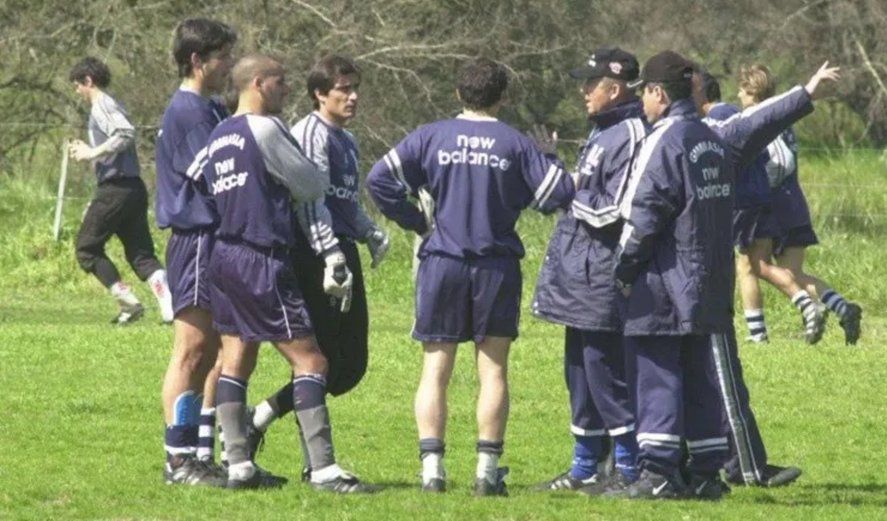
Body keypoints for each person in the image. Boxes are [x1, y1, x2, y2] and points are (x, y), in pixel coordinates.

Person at [367, 58, 574, 496]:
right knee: (493, 370)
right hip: (495, 266)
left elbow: (379, 178)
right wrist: (550, 158)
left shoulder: (432, 135)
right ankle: (486, 471)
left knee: (435, 368)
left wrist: (416, 222)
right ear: (502, 97)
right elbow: (559, 194)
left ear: (459, 94)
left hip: (442, 261)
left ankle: (432, 472)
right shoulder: (515, 143)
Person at [200, 54, 371, 492]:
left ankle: (238, 465)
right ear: (259, 84)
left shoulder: (219, 134)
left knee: (237, 358)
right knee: (311, 360)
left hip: (223, 255)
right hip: (261, 255)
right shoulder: (266, 128)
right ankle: (324, 470)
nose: (287, 90)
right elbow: (311, 186)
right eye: (281, 82)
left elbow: (197, 179)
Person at [689, 62, 840, 489]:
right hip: (772, 207)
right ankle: (822, 303)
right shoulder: (717, 126)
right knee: (768, 270)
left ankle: (789, 314)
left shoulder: (718, 123)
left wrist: (806, 92)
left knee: (752, 268)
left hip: (749, 210)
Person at [245, 56, 389, 475]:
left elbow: (345, 201)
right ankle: (316, 463)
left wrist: (370, 233)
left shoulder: (347, 140)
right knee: (322, 359)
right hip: (317, 255)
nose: (353, 96)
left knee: (350, 366)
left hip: (342, 249)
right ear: (319, 94)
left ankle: (261, 416)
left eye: (355, 87)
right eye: (343, 88)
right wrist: (330, 254)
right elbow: (309, 202)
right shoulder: (310, 133)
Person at [612, 50, 735, 500]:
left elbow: (642, 213)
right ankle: (705, 473)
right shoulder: (713, 139)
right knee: (699, 374)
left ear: (658, 93)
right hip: (710, 278)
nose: (642, 100)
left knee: (657, 371)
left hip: (663, 280)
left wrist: (623, 270)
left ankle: (660, 472)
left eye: (644, 91)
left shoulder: (663, 139)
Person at [531, 47, 645, 493]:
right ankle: (584, 467)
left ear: (613, 89)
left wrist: (564, 191)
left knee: (605, 370)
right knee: (577, 370)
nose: (583, 92)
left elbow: (613, 210)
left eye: (590, 84)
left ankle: (629, 467)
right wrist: (554, 169)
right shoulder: (600, 133)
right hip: (577, 272)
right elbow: (580, 194)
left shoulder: (630, 133)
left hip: (603, 272)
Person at [154, 18, 236, 485]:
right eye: (221, 56)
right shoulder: (187, 110)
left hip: (215, 240)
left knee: (210, 354)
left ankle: (197, 454)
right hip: (197, 239)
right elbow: (217, 173)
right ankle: (177, 460)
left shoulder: (213, 109)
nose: (228, 65)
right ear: (197, 60)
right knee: (190, 350)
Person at [735, 64, 862, 345]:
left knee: (751, 265)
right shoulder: (784, 115)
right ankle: (843, 307)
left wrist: (759, 186)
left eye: (741, 90)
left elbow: (780, 161)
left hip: (773, 205)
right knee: (792, 273)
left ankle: (759, 335)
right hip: (793, 203)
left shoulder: (760, 119)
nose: (738, 94)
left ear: (752, 92)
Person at [68, 57, 173, 326]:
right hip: (132, 189)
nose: (77, 92)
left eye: (77, 86)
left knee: (87, 249)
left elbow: (126, 133)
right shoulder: (111, 104)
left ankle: (129, 303)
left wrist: (92, 152)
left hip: (115, 189)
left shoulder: (102, 104)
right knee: (141, 255)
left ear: (88, 81)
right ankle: (169, 309)